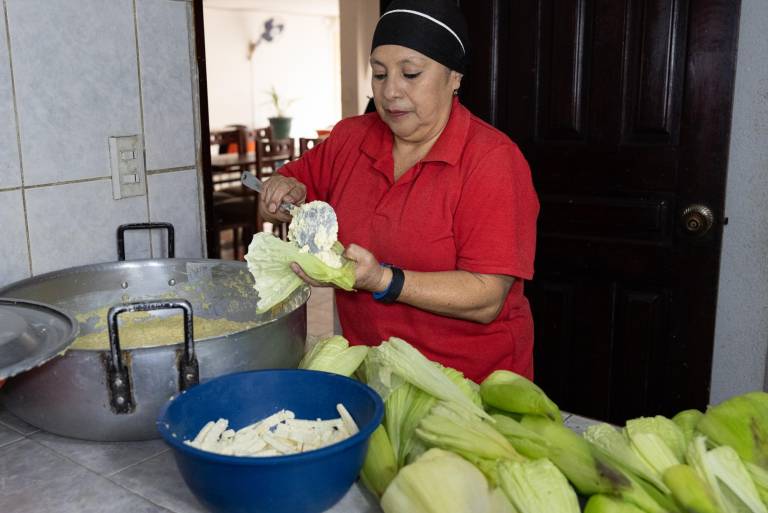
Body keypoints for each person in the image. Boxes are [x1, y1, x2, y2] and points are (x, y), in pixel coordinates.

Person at [258, 0, 539, 383]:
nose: (390, 92)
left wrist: (384, 281)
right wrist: (280, 190)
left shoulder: (491, 161)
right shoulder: (350, 138)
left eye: (410, 74)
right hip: (373, 374)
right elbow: (289, 189)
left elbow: (487, 297)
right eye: (378, 74)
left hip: (468, 385)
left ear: (454, 77)